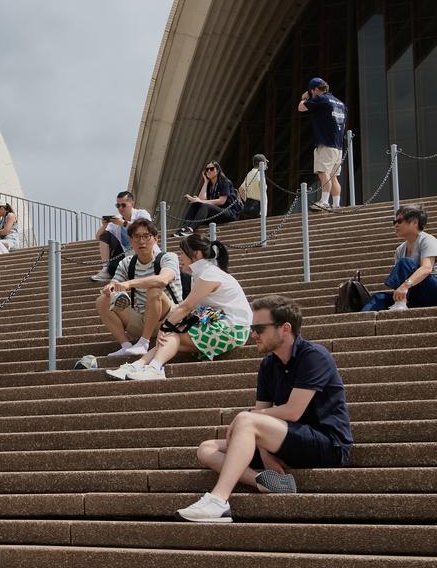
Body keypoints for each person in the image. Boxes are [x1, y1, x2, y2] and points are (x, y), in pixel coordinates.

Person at [179, 295, 352, 522]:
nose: (253, 334)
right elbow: (262, 412)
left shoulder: (314, 357)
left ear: (285, 329)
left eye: (259, 328)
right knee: (207, 448)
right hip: (286, 439)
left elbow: (292, 412)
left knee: (246, 419)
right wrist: (264, 449)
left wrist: (247, 419)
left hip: (327, 443)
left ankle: (218, 500)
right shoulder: (269, 364)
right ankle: (265, 480)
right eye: (252, 328)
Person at [108, 234, 250, 381]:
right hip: (218, 321)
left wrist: (165, 328)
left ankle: (155, 368)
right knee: (171, 335)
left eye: (182, 252)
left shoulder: (209, 274)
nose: (179, 256)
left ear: (195, 254)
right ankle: (138, 365)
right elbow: (196, 309)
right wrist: (172, 327)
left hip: (234, 328)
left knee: (170, 333)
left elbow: (187, 306)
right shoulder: (202, 273)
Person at [96, 218, 181, 360]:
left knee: (154, 289)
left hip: (169, 319)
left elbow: (163, 279)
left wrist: (129, 284)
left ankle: (144, 342)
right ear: (130, 240)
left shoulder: (168, 257)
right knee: (102, 300)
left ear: (156, 239)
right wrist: (110, 288)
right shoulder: (127, 263)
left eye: (146, 236)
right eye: (136, 237)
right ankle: (126, 346)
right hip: (141, 319)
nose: (141, 241)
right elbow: (115, 282)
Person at [362, 204, 437, 311]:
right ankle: (360, 324)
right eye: (394, 222)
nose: (396, 225)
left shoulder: (427, 240)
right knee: (378, 298)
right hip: (415, 294)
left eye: (400, 221)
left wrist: (404, 286)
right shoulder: (400, 250)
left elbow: (426, 268)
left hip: (432, 289)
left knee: (405, 263)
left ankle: (401, 302)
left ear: (415, 222)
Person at [297, 77, 347, 211]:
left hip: (325, 143)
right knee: (334, 176)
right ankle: (336, 204)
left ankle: (324, 201)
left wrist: (305, 98)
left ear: (315, 90)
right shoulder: (341, 104)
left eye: (312, 92)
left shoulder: (321, 99)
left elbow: (301, 108)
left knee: (323, 172)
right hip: (338, 146)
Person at [91, 191, 156, 282]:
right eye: (118, 206)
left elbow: (147, 229)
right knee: (105, 236)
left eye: (123, 205)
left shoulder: (141, 214)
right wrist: (104, 226)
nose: (120, 208)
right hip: (126, 254)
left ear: (132, 203)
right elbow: (99, 237)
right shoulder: (117, 219)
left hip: (145, 251)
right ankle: (105, 269)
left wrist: (123, 223)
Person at [173, 160, 241, 237]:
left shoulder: (224, 182)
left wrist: (200, 200)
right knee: (196, 204)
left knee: (205, 205)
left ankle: (191, 229)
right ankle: (184, 228)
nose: (209, 171)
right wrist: (205, 182)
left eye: (211, 169)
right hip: (216, 213)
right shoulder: (210, 185)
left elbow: (222, 201)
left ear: (217, 171)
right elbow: (202, 199)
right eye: (207, 169)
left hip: (229, 212)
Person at [237, 154, 266, 219]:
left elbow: (241, 189)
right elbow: (263, 191)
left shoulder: (249, 174)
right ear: (262, 163)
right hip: (259, 208)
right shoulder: (260, 174)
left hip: (249, 206)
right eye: (266, 162)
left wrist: (246, 200)